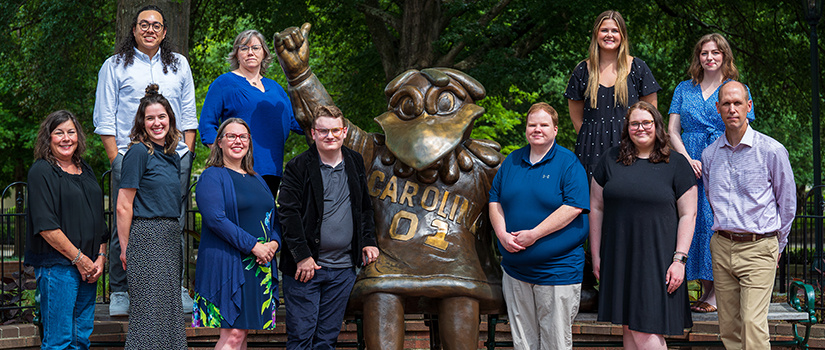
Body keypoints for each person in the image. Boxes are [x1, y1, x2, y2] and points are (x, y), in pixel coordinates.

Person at [93, 4, 197, 316]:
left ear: (165, 32)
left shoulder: (179, 65)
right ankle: (122, 291)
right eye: (143, 24)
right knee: (123, 220)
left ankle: (175, 287)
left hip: (172, 158)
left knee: (174, 222)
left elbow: (189, 115)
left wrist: (186, 154)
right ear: (135, 29)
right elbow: (104, 117)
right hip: (131, 156)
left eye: (156, 25)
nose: (149, 29)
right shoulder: (114, 65)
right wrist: (116, 158)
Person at [590, 101, 697, 349]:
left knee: (645, 330)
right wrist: (596, 255)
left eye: (646, 123)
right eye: (634, 123)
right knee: (629, 328)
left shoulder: (677, 164)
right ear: (627, 127)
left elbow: (688, 215)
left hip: (658, 260)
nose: (641, 128)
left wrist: (679, 260)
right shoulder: (610, 160)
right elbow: (596, 208)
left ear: (657, 126)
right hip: (619, 257)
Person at [702, 81, 796, 350]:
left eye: (738, 103)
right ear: (718, 109)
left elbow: (787, 205)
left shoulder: (772, 151)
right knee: (729, 328)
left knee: (753, 326)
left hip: (759, 246)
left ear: (748, 106)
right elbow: (711, 198)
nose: (732, 109)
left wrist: (777, 246)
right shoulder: (709, 155)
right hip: (721, 246)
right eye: (726, 104)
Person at [488, 103, 589, 349]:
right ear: (526, 129)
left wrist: (534, 235)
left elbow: (573, 207)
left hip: (556, 271)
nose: (537, 129)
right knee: (523, 343)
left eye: (544, 125)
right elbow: (495, 200)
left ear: (555, 129)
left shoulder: (568, 163)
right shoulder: (512, 161)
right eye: (532, 125)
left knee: (554, 343)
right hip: (515, 272)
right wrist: (502, 235)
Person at [278, 105, 379, 349]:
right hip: (306, 269)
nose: (329, 136)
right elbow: (287, 214)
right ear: (313, 133)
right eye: (323, 131)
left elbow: (364, 207)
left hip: (343, 270)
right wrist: (302, 257)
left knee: (326, 340)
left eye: (335, 130)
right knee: (301, 339)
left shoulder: (355, 161)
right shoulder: (298, 167)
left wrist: (368, 241)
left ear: (344, 132)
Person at [668, 33, 755, 313]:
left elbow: (742, 127)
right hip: (688, 159)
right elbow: (671, 130)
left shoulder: (736, 88)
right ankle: (706, 289)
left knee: (717, 218)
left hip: (723, 157)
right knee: (694, 218)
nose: (710, 58)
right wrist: (686, 159)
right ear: (698, 57)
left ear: (725, 56)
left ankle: (718, 292)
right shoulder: (684, 88)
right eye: (705, 53)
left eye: (716, 52)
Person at [193, 118, 281, 348]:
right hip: (228, 265)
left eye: (243, 136)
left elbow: (274, 219)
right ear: (219, 142)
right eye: (231, 136)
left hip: (258, 265)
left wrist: (273, 244)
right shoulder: (212, 176)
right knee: (233, 335)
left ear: (249, 142)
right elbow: (215, 219)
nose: (237, 141)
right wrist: (254, 246)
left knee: (242, 335)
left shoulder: (257, 179)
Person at [25, 110, 108, 350]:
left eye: (71, 132)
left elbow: (99, 221)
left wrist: (100, 257)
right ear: (48, 138)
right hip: (58, 268)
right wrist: (79, 259)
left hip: (89, 267)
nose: (66, 138)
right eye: (59, 133)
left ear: (78, 136)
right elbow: (46, 226)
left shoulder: (87, 169)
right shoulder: (41, 172)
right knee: (59, 341)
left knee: (81, 339)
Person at [116, 84, 186, 349]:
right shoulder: (138, 152)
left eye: (161, 117)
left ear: (170, 119)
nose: (157, 123)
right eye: (150, 118)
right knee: (148, 316)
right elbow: (124, 205)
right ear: (142, 123)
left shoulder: (171, 156)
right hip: (146, 238)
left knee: (169, 313)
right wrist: (125, 248)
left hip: (169, 237)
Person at [198, 29, 303, 195]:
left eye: (255, 48)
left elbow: (297, 123)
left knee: (266, 219)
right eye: (244, 48)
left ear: (264, 53)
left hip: (272, 169)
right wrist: (223, 157)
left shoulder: (276, 89)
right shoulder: (224, 83)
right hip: (238, 168)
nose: (250, 53)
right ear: (237, 54)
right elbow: (206, 125)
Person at [565, 10, 661, 179]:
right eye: (604, 30)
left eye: (615, 31)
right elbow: (576, 119)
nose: (609, 35)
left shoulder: (638, 68)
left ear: (622, 35)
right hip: (590, 150)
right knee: (591, 203)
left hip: (631, 148)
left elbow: (651, 114)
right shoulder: (582, 70)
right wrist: (592, 138)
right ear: (596, 33)